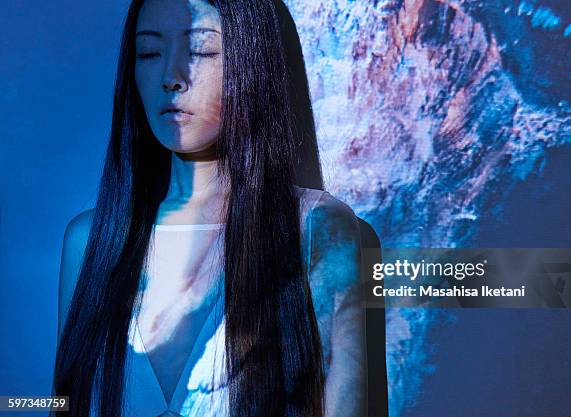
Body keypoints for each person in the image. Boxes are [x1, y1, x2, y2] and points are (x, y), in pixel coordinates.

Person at [52, 1, 367, 416]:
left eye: (200, 51)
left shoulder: (318, 229)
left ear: (253, 59)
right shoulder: (89, 241)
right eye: (148, 53)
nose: (171, 77)